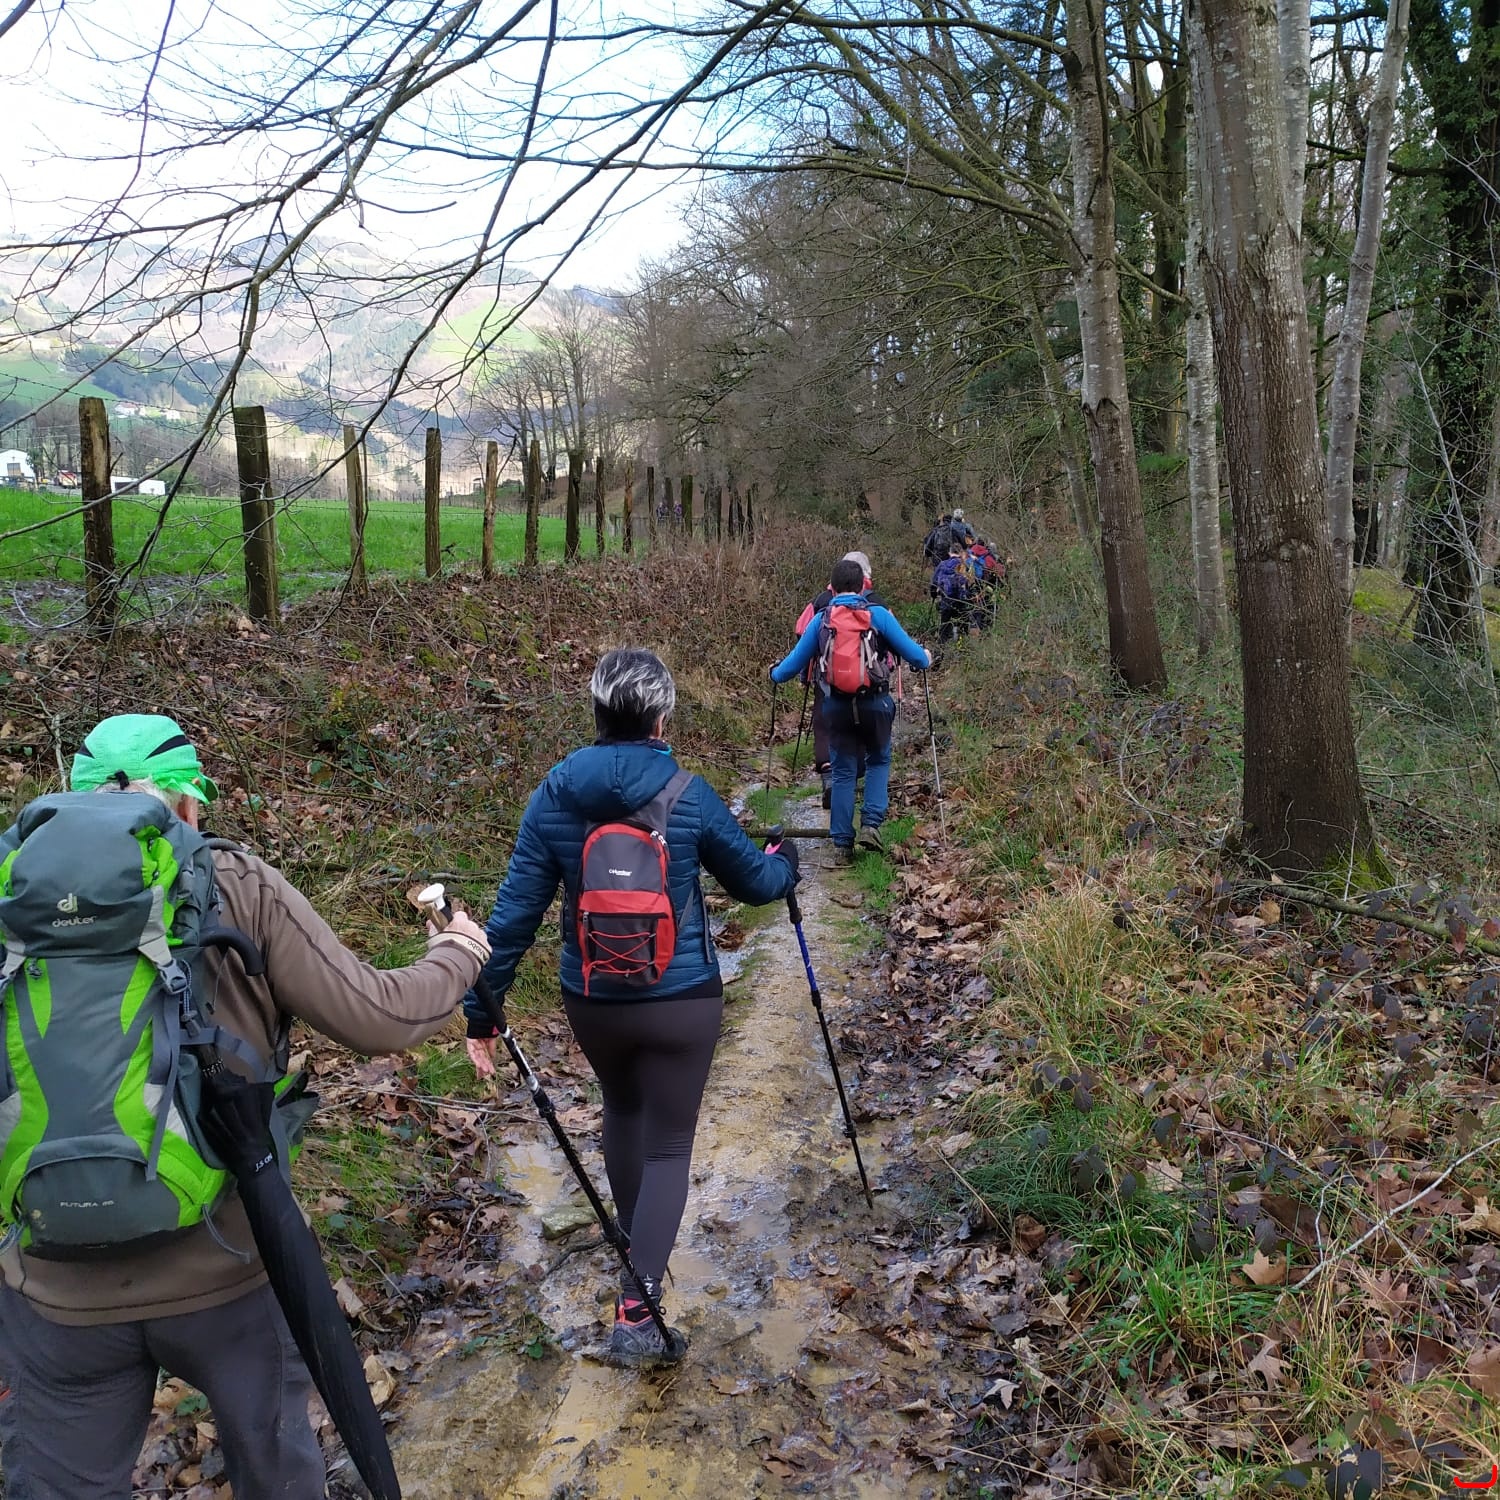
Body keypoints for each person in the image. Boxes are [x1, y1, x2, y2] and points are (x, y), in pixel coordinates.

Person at [0, 713, 491, 1500]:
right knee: (275, 1470)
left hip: (53, 1285)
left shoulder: (12, 894)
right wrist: (459, 953)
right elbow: (380, 1016)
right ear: (190, 805)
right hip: (229, 1263)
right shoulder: (233, 881)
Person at [463, 650, 799, 1366]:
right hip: (682, 1001)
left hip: (594, 1001)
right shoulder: (688, 794)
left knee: (621, 1110)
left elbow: (514, 915)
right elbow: (756, 883)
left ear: (596, 711)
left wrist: (481, 1013)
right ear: (660, 719)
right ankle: (637, 1308)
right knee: (670, 1144)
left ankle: (637, 1248)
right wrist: (786, 863)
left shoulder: (554, 795)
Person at [771, 558, 932, 866]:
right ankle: (871, 825)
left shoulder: (822, 620)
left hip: (837, 707)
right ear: (862, 587)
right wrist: (926, 655)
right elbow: (915, 657)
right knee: (878, 759)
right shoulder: (878, 615)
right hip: (875, 703)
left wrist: (774, 673)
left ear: (832, 589)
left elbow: (790, 667)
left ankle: (842, 845)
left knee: (843, 771)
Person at [793, 551, 885, 808]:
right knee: (861, 727)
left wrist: (803, 674)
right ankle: (854, 780)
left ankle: (830, 778)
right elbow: (888, 639)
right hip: (868, 681)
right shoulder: (875, 604)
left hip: (827, 678)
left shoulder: (821, 601)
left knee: (824, 724)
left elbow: (802, 632)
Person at [933, 542, 981, 642]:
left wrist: (934, 594)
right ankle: (961, 645)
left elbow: (934, 583)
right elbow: (971, 583)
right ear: (960, 553)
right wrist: (973, 596)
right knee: (963, 627)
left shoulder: (942, 565)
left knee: (944, 626)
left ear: (949, 552)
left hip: (946, 600)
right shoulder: (965, 565)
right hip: (961, 601)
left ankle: (941, 647)